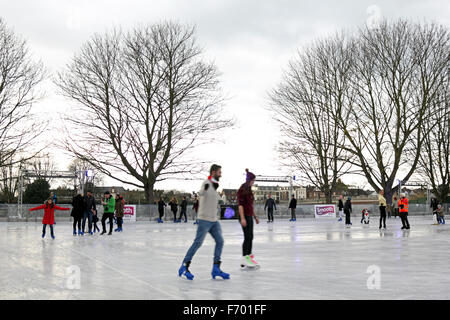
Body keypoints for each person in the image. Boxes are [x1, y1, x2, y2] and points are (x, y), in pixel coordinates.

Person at [178, 164, 230, 280]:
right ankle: (184, 266)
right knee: (198, 243)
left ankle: (216, 268)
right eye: (219, 172)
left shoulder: (214, 186)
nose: (221, 174)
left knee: (220, 241)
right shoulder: (207, 183)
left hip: (213, 220)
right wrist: (202, 191)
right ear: (213, 172)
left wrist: (221, 201)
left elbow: (215, 199)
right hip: (204, 220)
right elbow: (201, 192)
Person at [237, 169, 260, 269]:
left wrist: (255, 216)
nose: (253, 182)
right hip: (244, 216)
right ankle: (245, 259)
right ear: (249, 180)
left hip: (249, 215)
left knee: (250, 236)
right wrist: (242, 218)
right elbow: (240, 205)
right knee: (247, 237)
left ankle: (247, 258)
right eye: (253, 180)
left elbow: (250, 205)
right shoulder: (242, 190)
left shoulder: (249, 190)